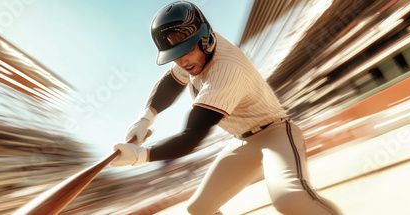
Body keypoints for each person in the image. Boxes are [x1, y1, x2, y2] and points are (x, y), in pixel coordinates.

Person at [110, 1, 342, 214]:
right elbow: (170, 82)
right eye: (175, 56)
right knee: (200, 209)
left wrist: (141, 156)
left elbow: (191, 137)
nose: (181, 62)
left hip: (275, 134)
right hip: (241, 140)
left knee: (289, 198)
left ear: (205, 39)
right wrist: (145, 118)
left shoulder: (227, 69)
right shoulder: (196, 52)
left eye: (185, 52)